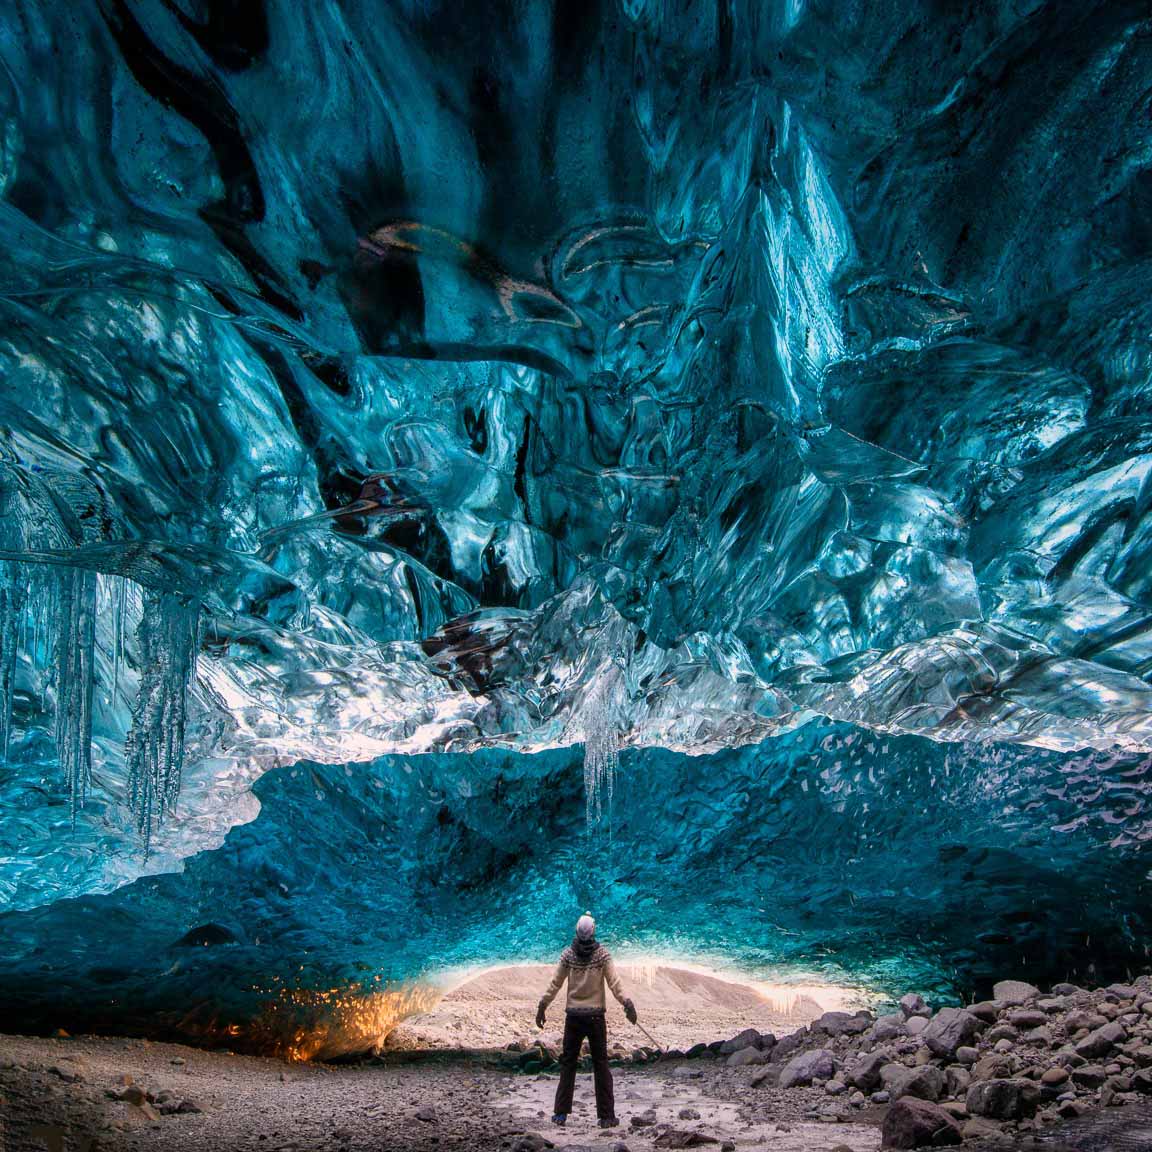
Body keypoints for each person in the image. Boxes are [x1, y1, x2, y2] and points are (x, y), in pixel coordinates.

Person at [536, 912, 637, 1128]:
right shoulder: (602, 955)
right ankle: (606, 1116)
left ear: (576, 931)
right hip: (595, 1017)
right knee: (601, 1064)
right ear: (594, 931)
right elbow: (614, 983)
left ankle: (561, 1114)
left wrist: (542, 1005)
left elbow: (555, 983)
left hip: (573, 1016)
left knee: (568, 1064)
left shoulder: (567, 955)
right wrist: (627, 1003)